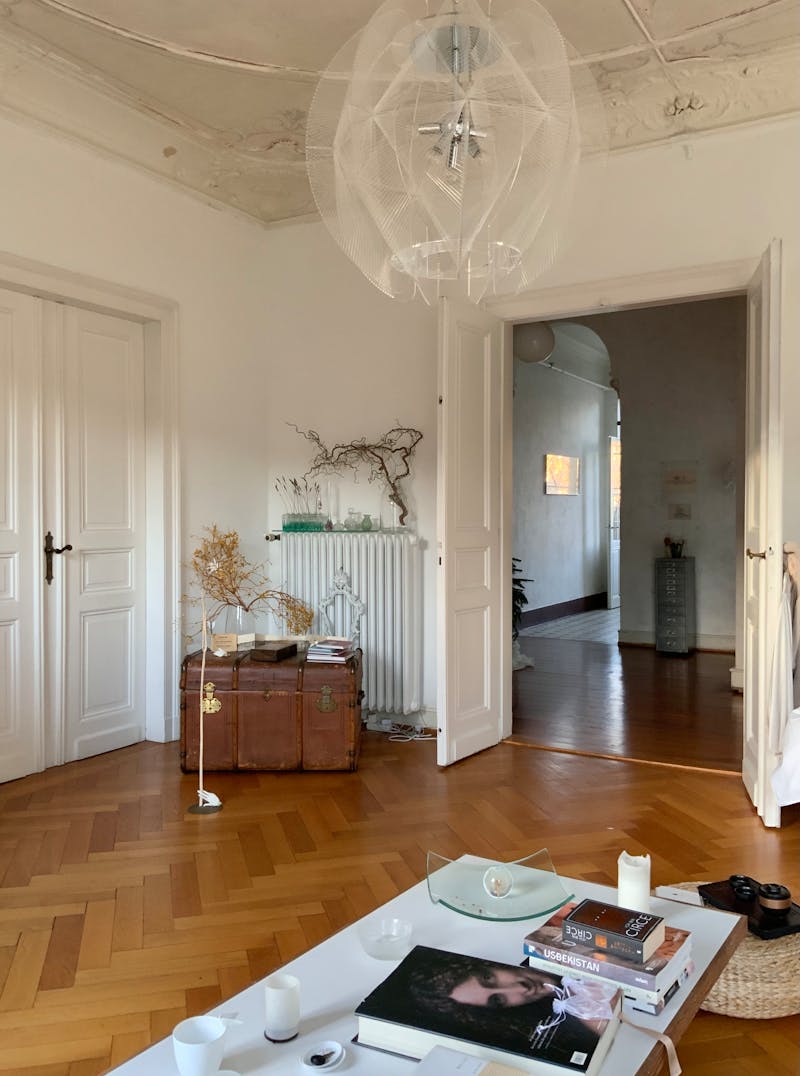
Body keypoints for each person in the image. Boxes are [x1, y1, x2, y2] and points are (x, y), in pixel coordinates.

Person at [406, 953, 617, 1062]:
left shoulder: (549, 947)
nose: (520, 988)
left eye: (488, 978)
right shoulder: (584, 1014)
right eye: (498, 1000)